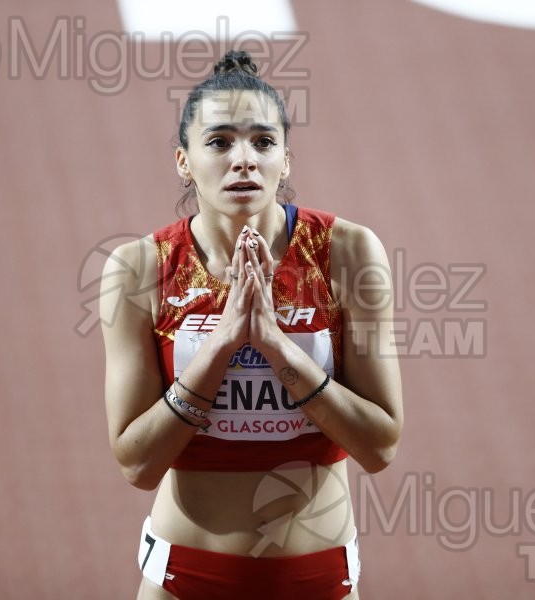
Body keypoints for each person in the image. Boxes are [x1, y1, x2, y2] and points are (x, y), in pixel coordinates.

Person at [100, 50, 403, 600]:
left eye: (263, 142)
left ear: (285, 160)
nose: (244, 159)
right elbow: (138, 463)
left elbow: (379, 447)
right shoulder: (138, 269)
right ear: (183, 161)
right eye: (218, 142)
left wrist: (275, 347)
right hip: (184, 579)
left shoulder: (347, 253)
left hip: (317, 580)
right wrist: (221, 345)